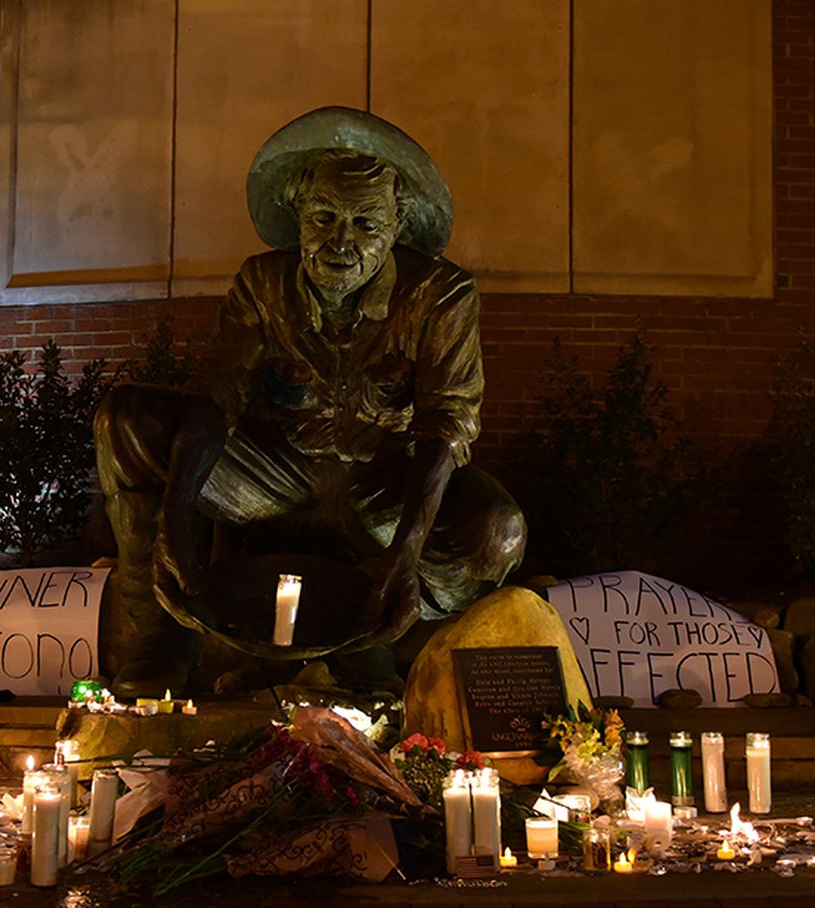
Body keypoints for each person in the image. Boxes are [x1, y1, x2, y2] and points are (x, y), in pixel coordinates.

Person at [95, 107, 526, 697]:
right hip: (277, 480)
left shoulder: (441, 294)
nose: (340, 242)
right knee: (125, 421)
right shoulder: (261, 282)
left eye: (365, 224)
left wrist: (405, 553)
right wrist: (174, 523)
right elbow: (216, 399)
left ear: (397, 224)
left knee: (496, 532)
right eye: (323, 217)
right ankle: (166, 635)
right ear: (298, 216)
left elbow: (447, 426)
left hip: (382, 488)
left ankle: (372, 634)